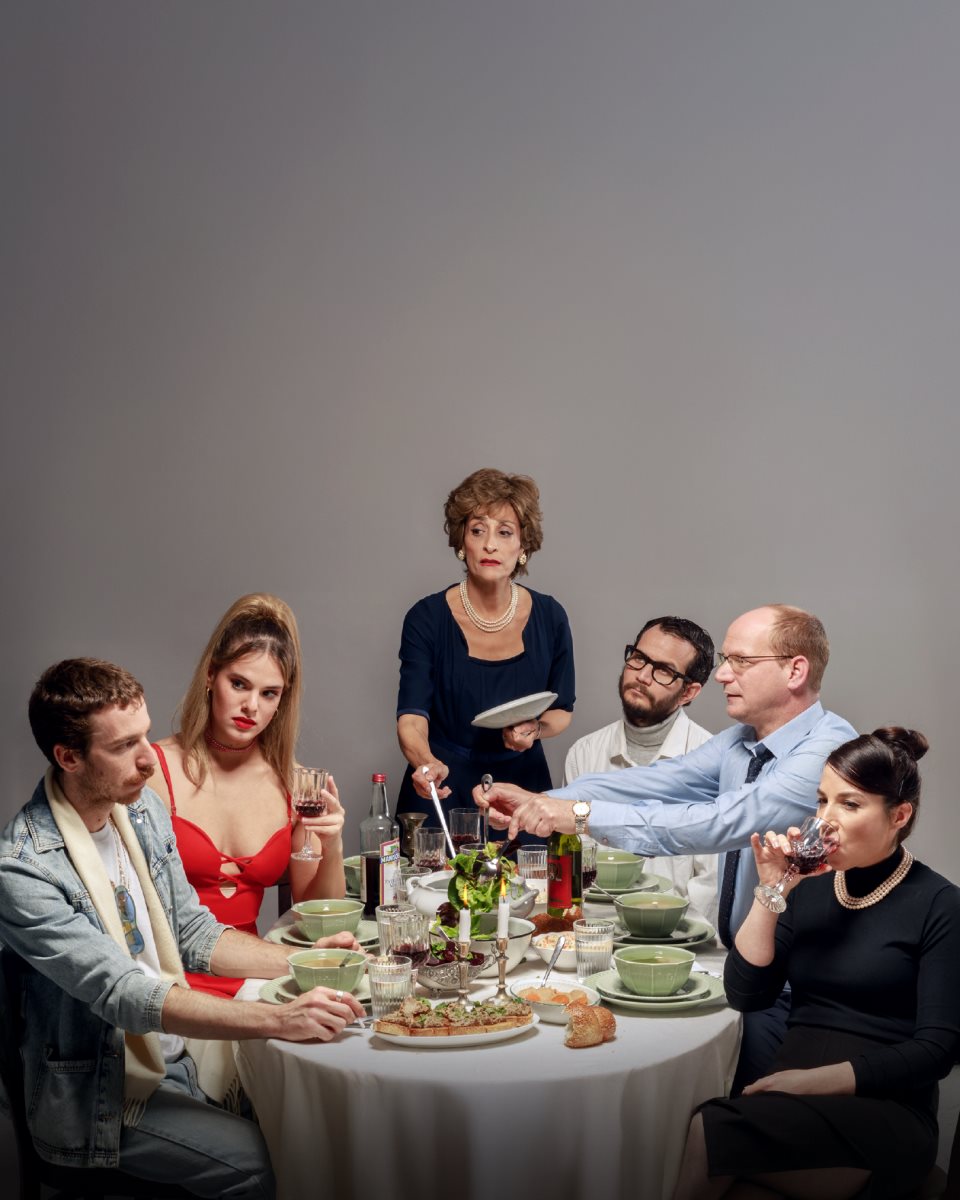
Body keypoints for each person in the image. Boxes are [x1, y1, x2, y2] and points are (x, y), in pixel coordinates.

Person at [0, 659, 365, 1198]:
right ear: (69, 757)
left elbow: (193, 933)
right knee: (266, 1165)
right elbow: (125, 993)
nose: (150, 759)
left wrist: (307, 961)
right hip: (100, 1098)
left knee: (314, 1129)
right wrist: (276, 1019)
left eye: (144, 735)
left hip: (179, 1054)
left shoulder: (140, 810)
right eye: (124, 746)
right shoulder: (23, 870)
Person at [476, 604, 856, 1086]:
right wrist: (540, 800)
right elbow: (657, 782)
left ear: (795, 670)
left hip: (801, 992)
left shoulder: (827, 752)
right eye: (726, 660)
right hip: (744, 969)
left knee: (739, 1107)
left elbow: (720, 822)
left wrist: (579, 816)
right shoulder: (742, 741)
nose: (722, 674)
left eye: (741, 661)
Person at [672, 728, 960, 1200]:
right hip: (784, 1102)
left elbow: (939, 1049)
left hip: (882, 1114)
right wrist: (772, 889)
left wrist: (818, 1082)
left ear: (899, 815)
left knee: (711, 1134)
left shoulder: (940, 904)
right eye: (822, 801)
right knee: (716, 1155)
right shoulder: (810, 888)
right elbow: (746, 993)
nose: (825, 821)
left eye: (850, 804)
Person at [149, 594, 348, 997]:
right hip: (168, 983)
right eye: (238, 684)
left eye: (269, 693)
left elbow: (317, 916)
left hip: (255, 979)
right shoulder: (154, 769)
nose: (251, 706)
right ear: (210, 675)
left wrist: (333, 845)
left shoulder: (292, 783)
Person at [395, 467, 575, 832]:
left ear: (523, 547)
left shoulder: (551, 616)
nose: (490, 544)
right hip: (442, 785)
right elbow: (411, 718)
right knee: (430, 870)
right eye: (478, 530)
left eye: (505, 532)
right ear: (462, 542)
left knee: (532, 871)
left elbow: (562, 711)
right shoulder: (426, 617)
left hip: (523, 789)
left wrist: (534, 730)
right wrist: (426, 763)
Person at [563, 615, 718, 922]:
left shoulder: (714, 765)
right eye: (639, 658)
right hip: (594, 930)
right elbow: (575, 858)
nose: (643, 676)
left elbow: (710, 886)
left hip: (676, 937)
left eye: (664, 671)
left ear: (689, 692)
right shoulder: (584, 753)